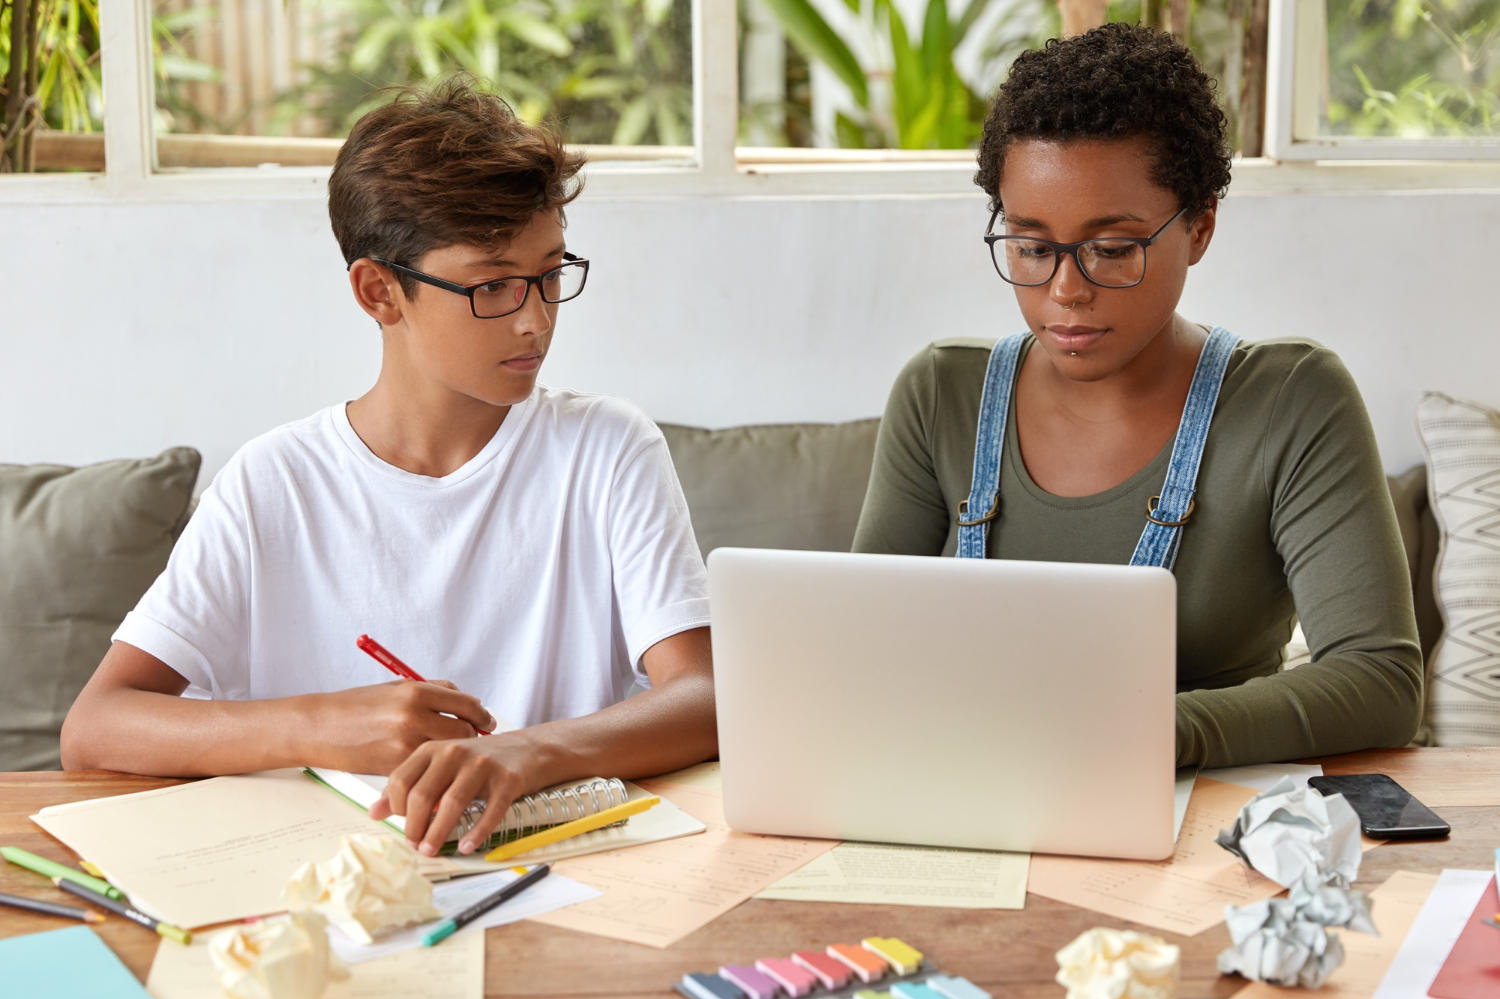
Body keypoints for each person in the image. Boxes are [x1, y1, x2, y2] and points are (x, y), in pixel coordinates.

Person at [60, 77, 717, 855]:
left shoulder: (607, 449)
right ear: (379, 292)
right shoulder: (277, 482)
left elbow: (707, 697)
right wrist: (321, 723)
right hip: (336, 880)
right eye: (494, 285)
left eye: (548, 274)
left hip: (563, 873)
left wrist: (527, 751)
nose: (535, 318)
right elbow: (95, 728)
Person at [852, 23, 1422, 769]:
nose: (1065, 290)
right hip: (969, 791)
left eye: (1112, 250)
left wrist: (1146, 735)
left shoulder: (1292, 400)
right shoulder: (940, 396)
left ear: (1201, 226)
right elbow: (856, 650)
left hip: (1199, 826)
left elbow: (1380, 682)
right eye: (1030, 246)